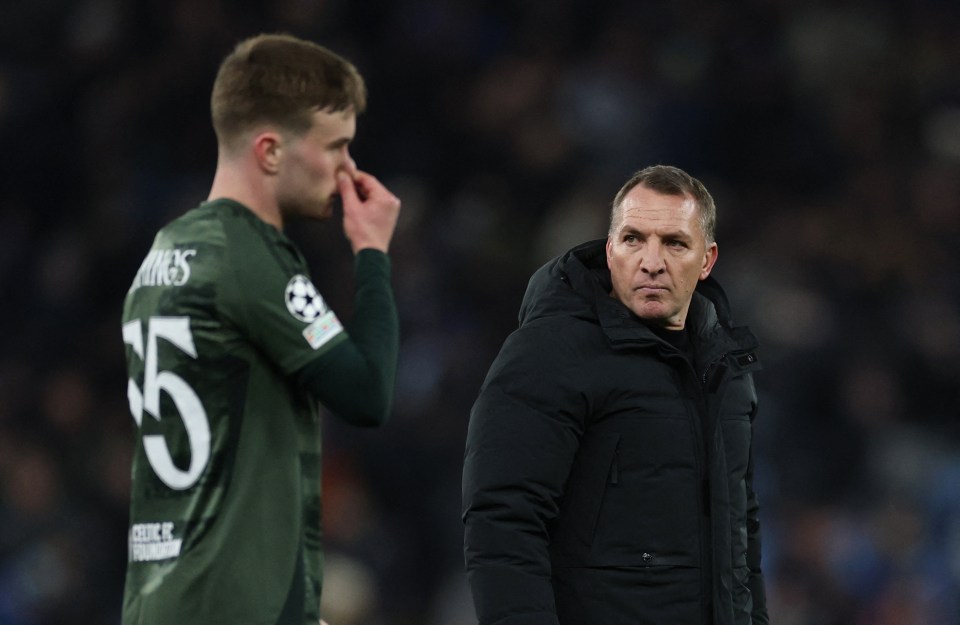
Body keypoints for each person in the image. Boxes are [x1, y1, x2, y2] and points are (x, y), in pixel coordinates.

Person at [120, 34, 401, 625]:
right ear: (271, 151)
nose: (349, 169)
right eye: (336, 147)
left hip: (161, 598)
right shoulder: (248, 254)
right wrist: (372, 252)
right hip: (231, 603)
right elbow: (366, 391)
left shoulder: (164, 252)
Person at [462, 164, 769, 625]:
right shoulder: (550, 353)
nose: (651, 261)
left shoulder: (725, 369)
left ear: (707, 260)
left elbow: (741, 537)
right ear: (609, 251)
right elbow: (504, 520)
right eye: (633, 239)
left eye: (674, 243)